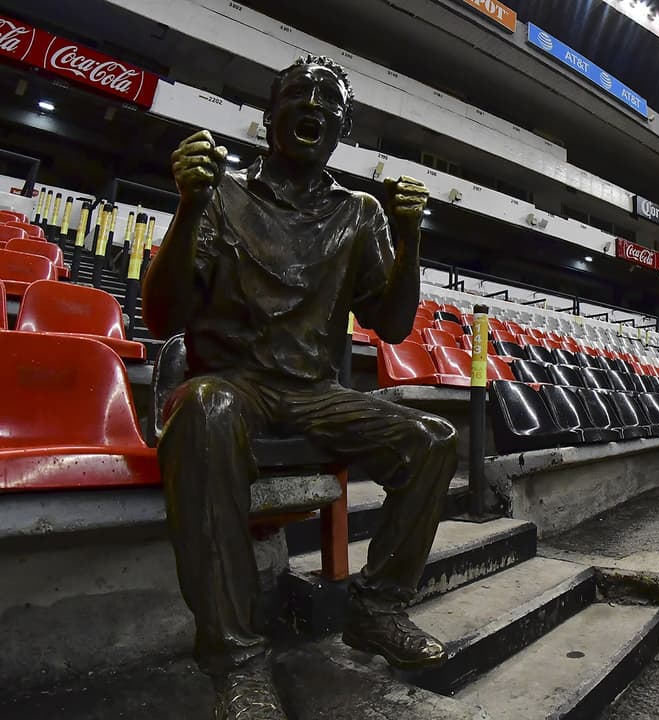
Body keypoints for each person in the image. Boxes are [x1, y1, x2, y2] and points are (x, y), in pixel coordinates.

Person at [142, 55, 457, 720]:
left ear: (344, 127)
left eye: (328, 99)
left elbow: (393, 325)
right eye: (297, 93)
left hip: (313, 393)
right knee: (205, 408)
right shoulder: (221, 195)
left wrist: (409, 239)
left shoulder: (359, 213)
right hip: (234, 385)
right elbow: (162, 317)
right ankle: (236, 662)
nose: (313, 104)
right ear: (270, 115)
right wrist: (188, 206)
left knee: (432, 440)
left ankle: (377, 609)